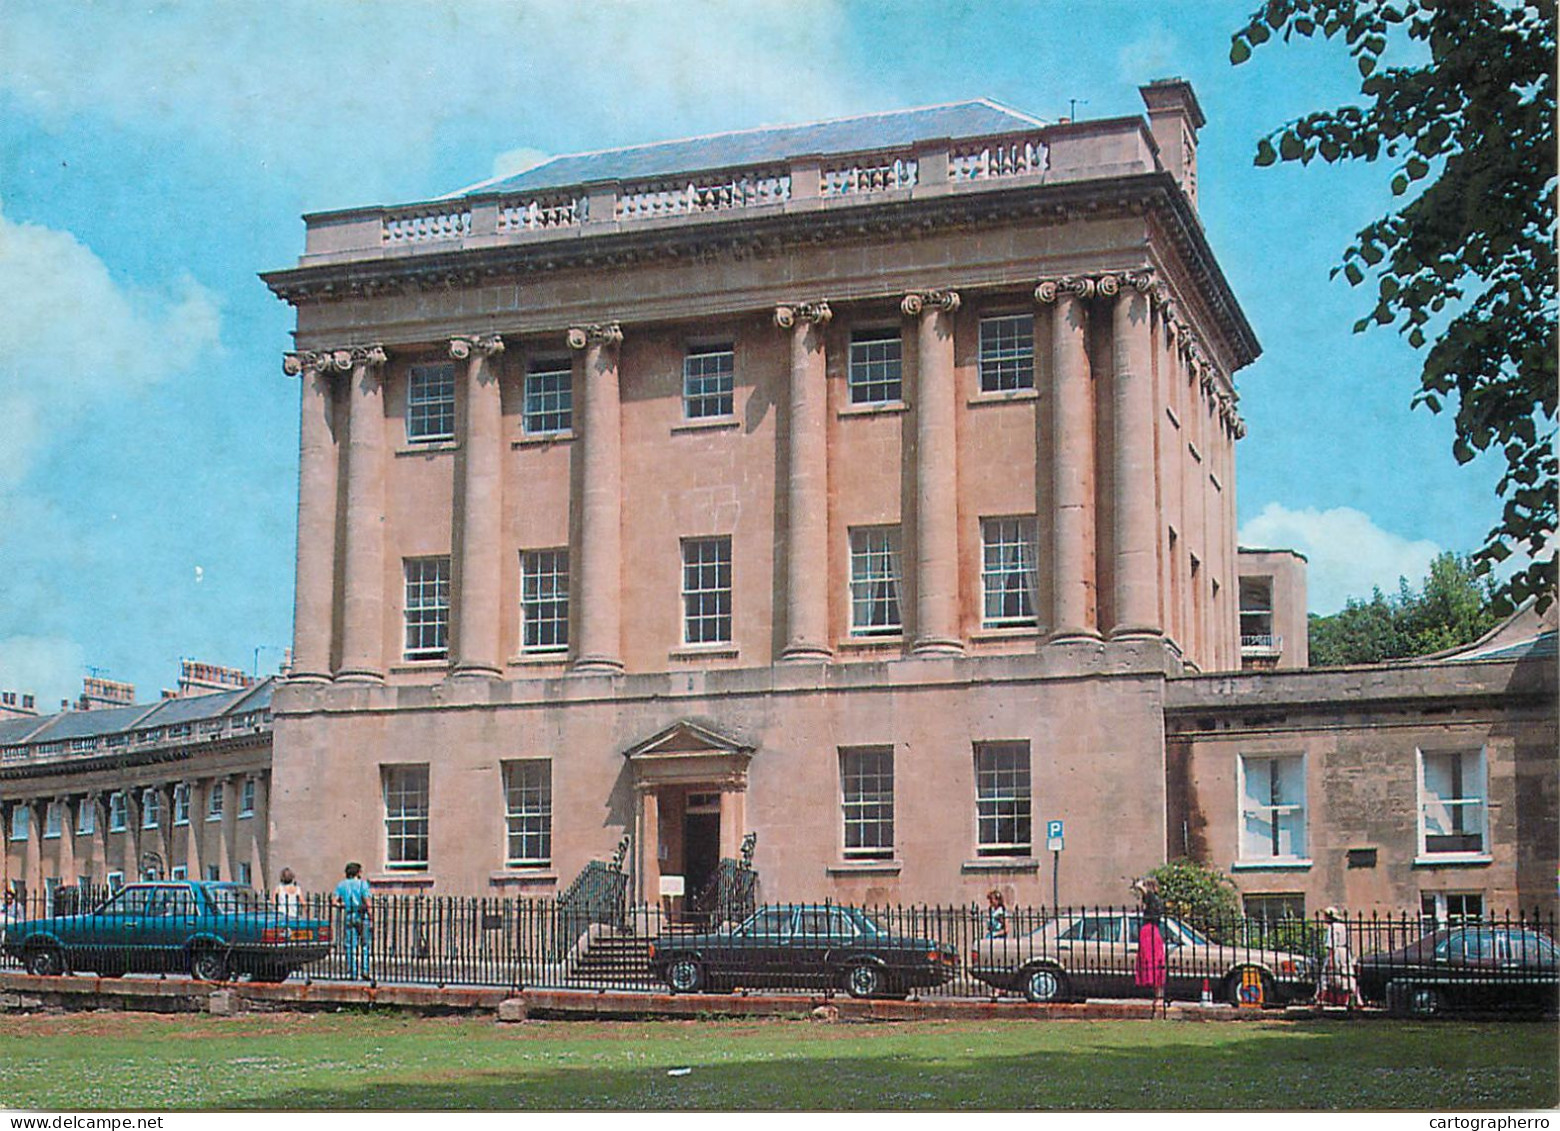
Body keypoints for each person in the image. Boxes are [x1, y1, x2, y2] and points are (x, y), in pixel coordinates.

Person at [1131, 877, 1168, 1014]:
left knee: (1154, 963)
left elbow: (1141, 888)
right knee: (1153, 964)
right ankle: (1158, 996)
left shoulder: (1152, 898)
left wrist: (1141, 884)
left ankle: (1159, 997)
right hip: (1150, 933)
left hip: (1149, 933)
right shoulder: (1154, 901)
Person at [332, 862, 373, 980]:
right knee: (365, 945)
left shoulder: (341, 885)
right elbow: (367, 902)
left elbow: (334, 902)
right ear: (358, 872)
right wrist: (371, 918)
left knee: (350, 945)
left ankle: (353, 972)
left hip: (349, 915)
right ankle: (365, 970)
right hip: (362, 915)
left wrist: (342, 904)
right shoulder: (363, 885)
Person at [1318, 906, 1363, 1009]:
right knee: (1347, 975)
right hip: (1345, 953)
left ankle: (1321, 999)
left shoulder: (1332, 928)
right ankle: (1357, 998)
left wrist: (1331, 960)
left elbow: (1331, 945)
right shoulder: (1342, 926)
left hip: (1336, 953)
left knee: (1326, 976)